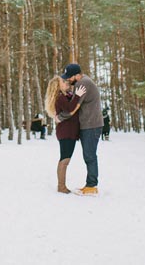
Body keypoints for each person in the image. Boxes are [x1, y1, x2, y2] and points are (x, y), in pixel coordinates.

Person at [61, 63, 103, 196]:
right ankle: (90, 185)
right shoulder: (85, 81)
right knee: (89, 155)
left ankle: (91, 186)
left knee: (89, 156)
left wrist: (60, 117)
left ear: (76, 75)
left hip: (91, 125)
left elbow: (74, 107)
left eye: (69, 77)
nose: (68, 79)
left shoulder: (82, 84)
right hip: (91, 124)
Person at [44, 76, 86, 193]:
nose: (65, 82)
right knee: (65, 159)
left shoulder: (66, 95)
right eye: (62, 81)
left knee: (65, 158)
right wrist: (77, 95)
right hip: (66, 132)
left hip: (68, 131)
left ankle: (61, 186)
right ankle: (61, 187)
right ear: (58, 86)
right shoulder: (60, 97)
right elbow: (69, 109)